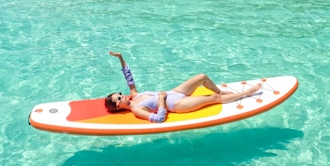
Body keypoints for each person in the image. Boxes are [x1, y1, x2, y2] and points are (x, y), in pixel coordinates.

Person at [104, 51, 262, 123]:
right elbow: (159, 119)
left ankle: (220, 90)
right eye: (119, 98)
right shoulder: (137, 110)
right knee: (214, 99)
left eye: (119, 93)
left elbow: (128, 76)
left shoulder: (135, 94)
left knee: (202, 77)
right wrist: (160, 100)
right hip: (176, 105)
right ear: (118, 106)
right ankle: (246, 93)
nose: (122, 95)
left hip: (175, 93)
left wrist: (121, 58)